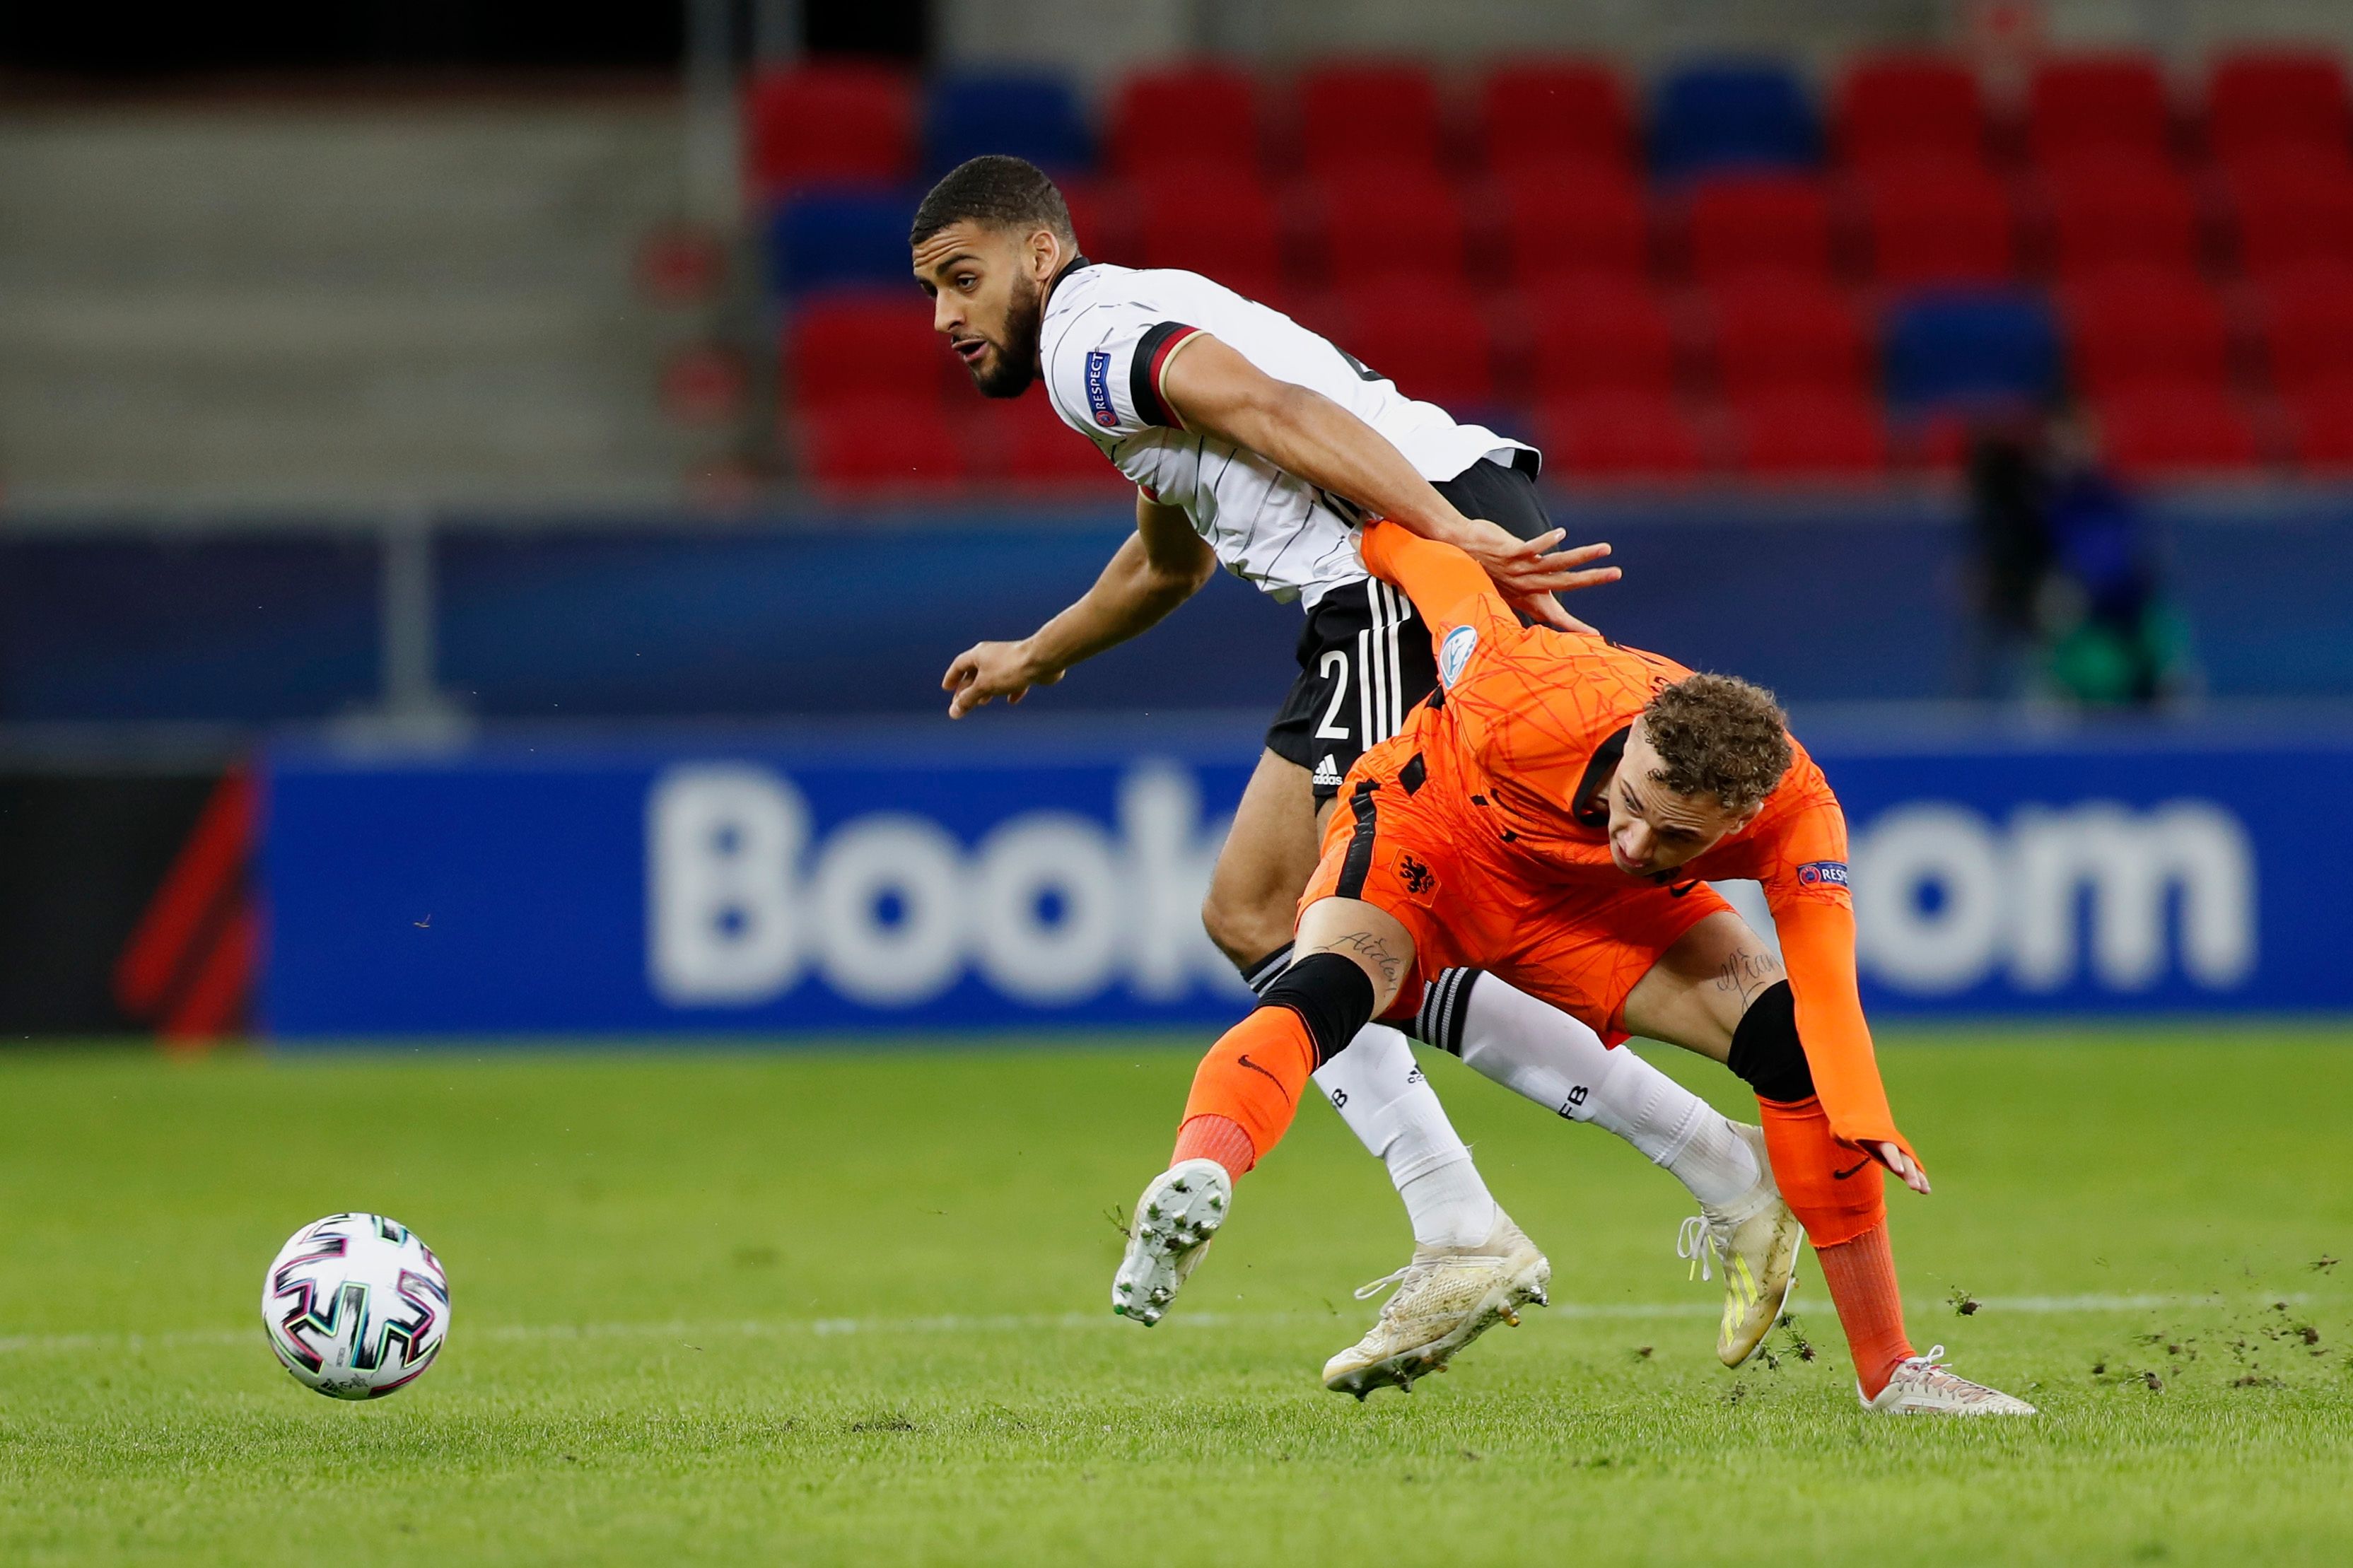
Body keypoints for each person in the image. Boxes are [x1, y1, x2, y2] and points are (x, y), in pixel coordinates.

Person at [908, 155, 1802, 1392]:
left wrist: (1443, 532)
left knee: (1374, 931)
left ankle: (1550, 1210)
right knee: (1256, 915)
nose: (947, 317)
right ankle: (1619, 1191)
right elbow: (1170, 564)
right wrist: (1036, 653)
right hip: (1384, 572)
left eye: (964, 279)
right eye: (932, 292)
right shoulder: (1117, 342)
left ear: (1040, 254)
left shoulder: (1082, 340)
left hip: (1394, 573)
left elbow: (1278, 411)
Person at [1114, 516, 2039, 1416]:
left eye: (1679, 835)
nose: (1638, 838)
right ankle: (1203, 1173)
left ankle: (1892, 1374)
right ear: (1637, 738)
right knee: (1325, 983)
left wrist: (1865, 1113)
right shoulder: (1520, 689)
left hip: (1585, 900)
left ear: (1741, 815)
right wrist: (1371, 536)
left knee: (1789, 1046)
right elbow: (1447, 583)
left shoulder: (1797, 815)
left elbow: (1828, 983)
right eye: (1632, 802)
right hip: (1434, 838)